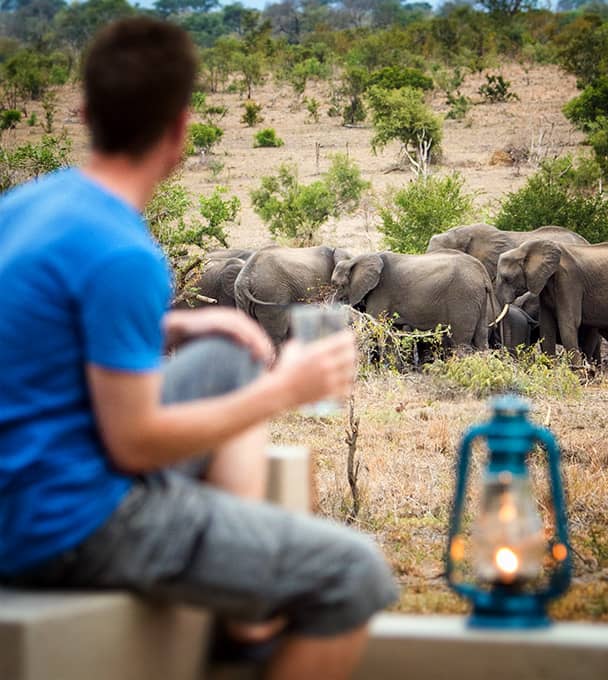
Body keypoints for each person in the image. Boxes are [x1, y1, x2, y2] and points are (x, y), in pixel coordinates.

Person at [0, 17, 397, 680]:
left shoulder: (20, 210)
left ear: (84, 114)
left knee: (232, 351)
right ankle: (249, 588)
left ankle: (246, 614)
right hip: (67, 527)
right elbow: (135, 444)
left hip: (18, 489)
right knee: (353, 574)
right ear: (181, 132)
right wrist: (284, 389)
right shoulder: (123, 251)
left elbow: (38, 328)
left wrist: (180, 328)